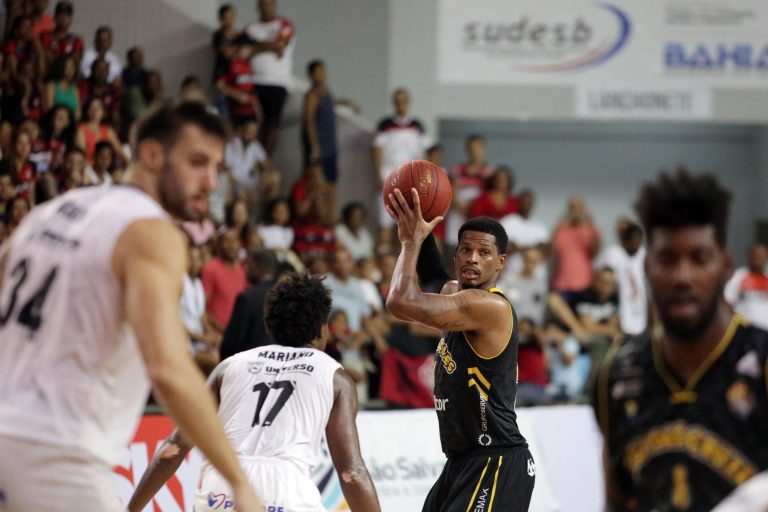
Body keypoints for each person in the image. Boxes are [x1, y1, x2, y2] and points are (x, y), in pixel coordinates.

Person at [0, 102, 260, 511]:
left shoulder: (50, 212)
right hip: (57, 453)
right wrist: (239, 481)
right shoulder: (150, 231)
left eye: (216, 167)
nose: (211, 182)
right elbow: (167, 369)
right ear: (152, 155)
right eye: (197, 163)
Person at [128, 273, 381, 512]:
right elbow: (351, 472)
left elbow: (174, 447)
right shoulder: (335, 377)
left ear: (270, 324)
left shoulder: (228, 366)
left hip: (222, 487)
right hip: (287, 491)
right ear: (322, 329)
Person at [593, 170, 768, 511]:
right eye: (667, 259)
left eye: (699, 258)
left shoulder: (760, 360)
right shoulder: (618, 373)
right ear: (647, 267)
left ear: (725, 266)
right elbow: (616, 500)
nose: (683, 276)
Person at [385, 188, 535, 512]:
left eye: (484, 253)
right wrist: (420, 222)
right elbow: (434, 276)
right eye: (466, 250)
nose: (472, 258)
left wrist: (409, 243)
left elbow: (399, 301)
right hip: (461, 463)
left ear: (500, 262)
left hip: (495, 461)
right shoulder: (458, 294)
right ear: (455, 255)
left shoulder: (488, 307)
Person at [373, 88, 431, 245]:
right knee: (385, 219)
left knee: (407, 222)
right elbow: (377, 149)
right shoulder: (385, 124)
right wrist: (378, 175)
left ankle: (404, 255)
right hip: (388, 176)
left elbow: (429, 149)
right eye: (397, 101)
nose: (401, 104)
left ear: (408, 102)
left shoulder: (417, 125)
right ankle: (384, 252)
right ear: (393, 103)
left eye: (403, 101)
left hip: (411, 179)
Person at [242, 0, 295, 155]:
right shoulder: (250, 28)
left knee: (272, 124)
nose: (267, 7)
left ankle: (264, 158)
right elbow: (243, 50)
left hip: (276, 81)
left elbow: (280, 45)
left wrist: (255, 46)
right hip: (253, 81)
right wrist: (271, 46)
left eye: (269, 3)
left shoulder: (284, 24)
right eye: (263, 4)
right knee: (252, 123)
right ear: (258, 6)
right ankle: (250, 157)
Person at [724, 242, 768, 330]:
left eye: (762, 255)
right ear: (749, 257)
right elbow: (727, 303)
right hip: (744, 331)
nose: (759, 258)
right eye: (756, 255)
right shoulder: (738, 276)